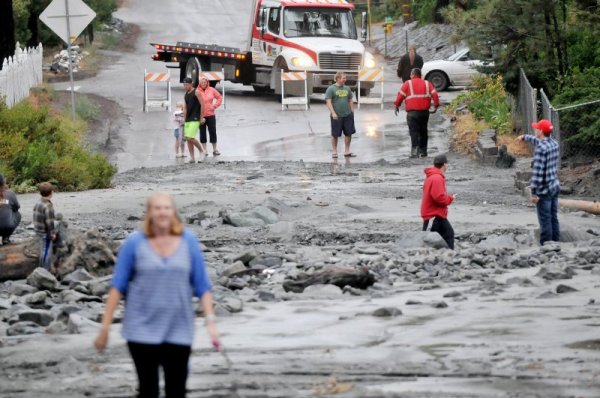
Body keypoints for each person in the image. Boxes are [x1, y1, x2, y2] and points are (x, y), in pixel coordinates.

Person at [95, 192, 220, 398]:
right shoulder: (134, 243)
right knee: (148, 389)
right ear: (149, 213)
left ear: (174, 212)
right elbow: (118, 286)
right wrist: (105, 328)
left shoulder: (188, 241)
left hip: (179, 327)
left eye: (167, 208)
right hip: (141, 329)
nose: (162, 212)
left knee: (177, 390)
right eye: (157, 208)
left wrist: (211, 323)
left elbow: (202, 286)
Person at [517, 119, 560, 245]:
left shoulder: (541, 149)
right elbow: (539, 141)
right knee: (553, 217)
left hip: (544, 190)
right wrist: (525, 137)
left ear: (541, 131)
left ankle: (547, 247)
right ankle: (556, 243)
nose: (535, 129)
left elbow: (538, 174)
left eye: (537, 128)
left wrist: (534, 193)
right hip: (554, 186)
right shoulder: (554, 143)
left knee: (545, 220)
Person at [394, 68, 440, 158]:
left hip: (412, 113)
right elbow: (434, 94)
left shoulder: (407, 83)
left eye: (411, 75)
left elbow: (400, 96)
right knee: (423, 131)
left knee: (414, 132)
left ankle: (415, 152)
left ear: (412, 74)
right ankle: (424, 151)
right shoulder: (427, 83)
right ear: (420, 75)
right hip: (424, 113)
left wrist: (397, 105)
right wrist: (436, 105)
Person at [421, 154, 455, 249]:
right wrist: (450, 198)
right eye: (446, 164)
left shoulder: (432, 176)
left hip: (437, 214)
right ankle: (422, 255)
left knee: (449, 234)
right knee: (426, 239)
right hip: (433, 215)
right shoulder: (437, 178)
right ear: (444, 165)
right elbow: (439, 197)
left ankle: (449, 256)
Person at [325, 71, 356, 159]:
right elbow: (328, 102)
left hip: (347, 115)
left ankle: (347, 151)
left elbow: (350, 100)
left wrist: (352, 112)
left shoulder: (347, 88)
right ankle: (334, 151)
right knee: (335, 134)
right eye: (343, 78)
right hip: (336, 116)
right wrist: (333, 113)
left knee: (349, 133)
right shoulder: (331, 89)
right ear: (338, 79)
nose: (345, 80)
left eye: (345, 78)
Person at [195, 77, 223, 156]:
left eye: (205, 82)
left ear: (207, 83)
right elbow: (194, 102)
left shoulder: (212, 89)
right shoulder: (197, 91)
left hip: (211, 114)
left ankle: (215, 149)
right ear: (199, 83)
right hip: (201, 115)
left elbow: (219, 97)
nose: (203, 84)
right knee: (202, 132)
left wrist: (214, 106)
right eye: (202, 82)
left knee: (213, 131)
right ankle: (205, 150)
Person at [182, 77, 206, 163]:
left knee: (190, 137)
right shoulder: (186, 94)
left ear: (191, 84)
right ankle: (192, 158)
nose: (185, 86)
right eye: (184, 85)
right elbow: (184, 108)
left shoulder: (197, 92)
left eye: (186, 85)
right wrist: (184, 121)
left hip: (195, 117)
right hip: (188, 119)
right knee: (188, 139)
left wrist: (201, 117)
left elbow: (203, 104)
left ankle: (202, 151)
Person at [33, 182, 56, 270]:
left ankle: (41, 268)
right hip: (44, 232)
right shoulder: (48, 206)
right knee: (46, 251)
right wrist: (52, 234)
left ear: (40, 193)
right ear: (51, 193)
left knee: (42, 249)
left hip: (37, 229)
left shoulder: (38, 203)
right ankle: (44, 270)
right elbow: (49, 222)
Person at [0, 175, 21, 245]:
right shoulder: (10, 193)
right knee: (18, 214)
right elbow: (17, 207)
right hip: (6, 228)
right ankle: (5, 237)